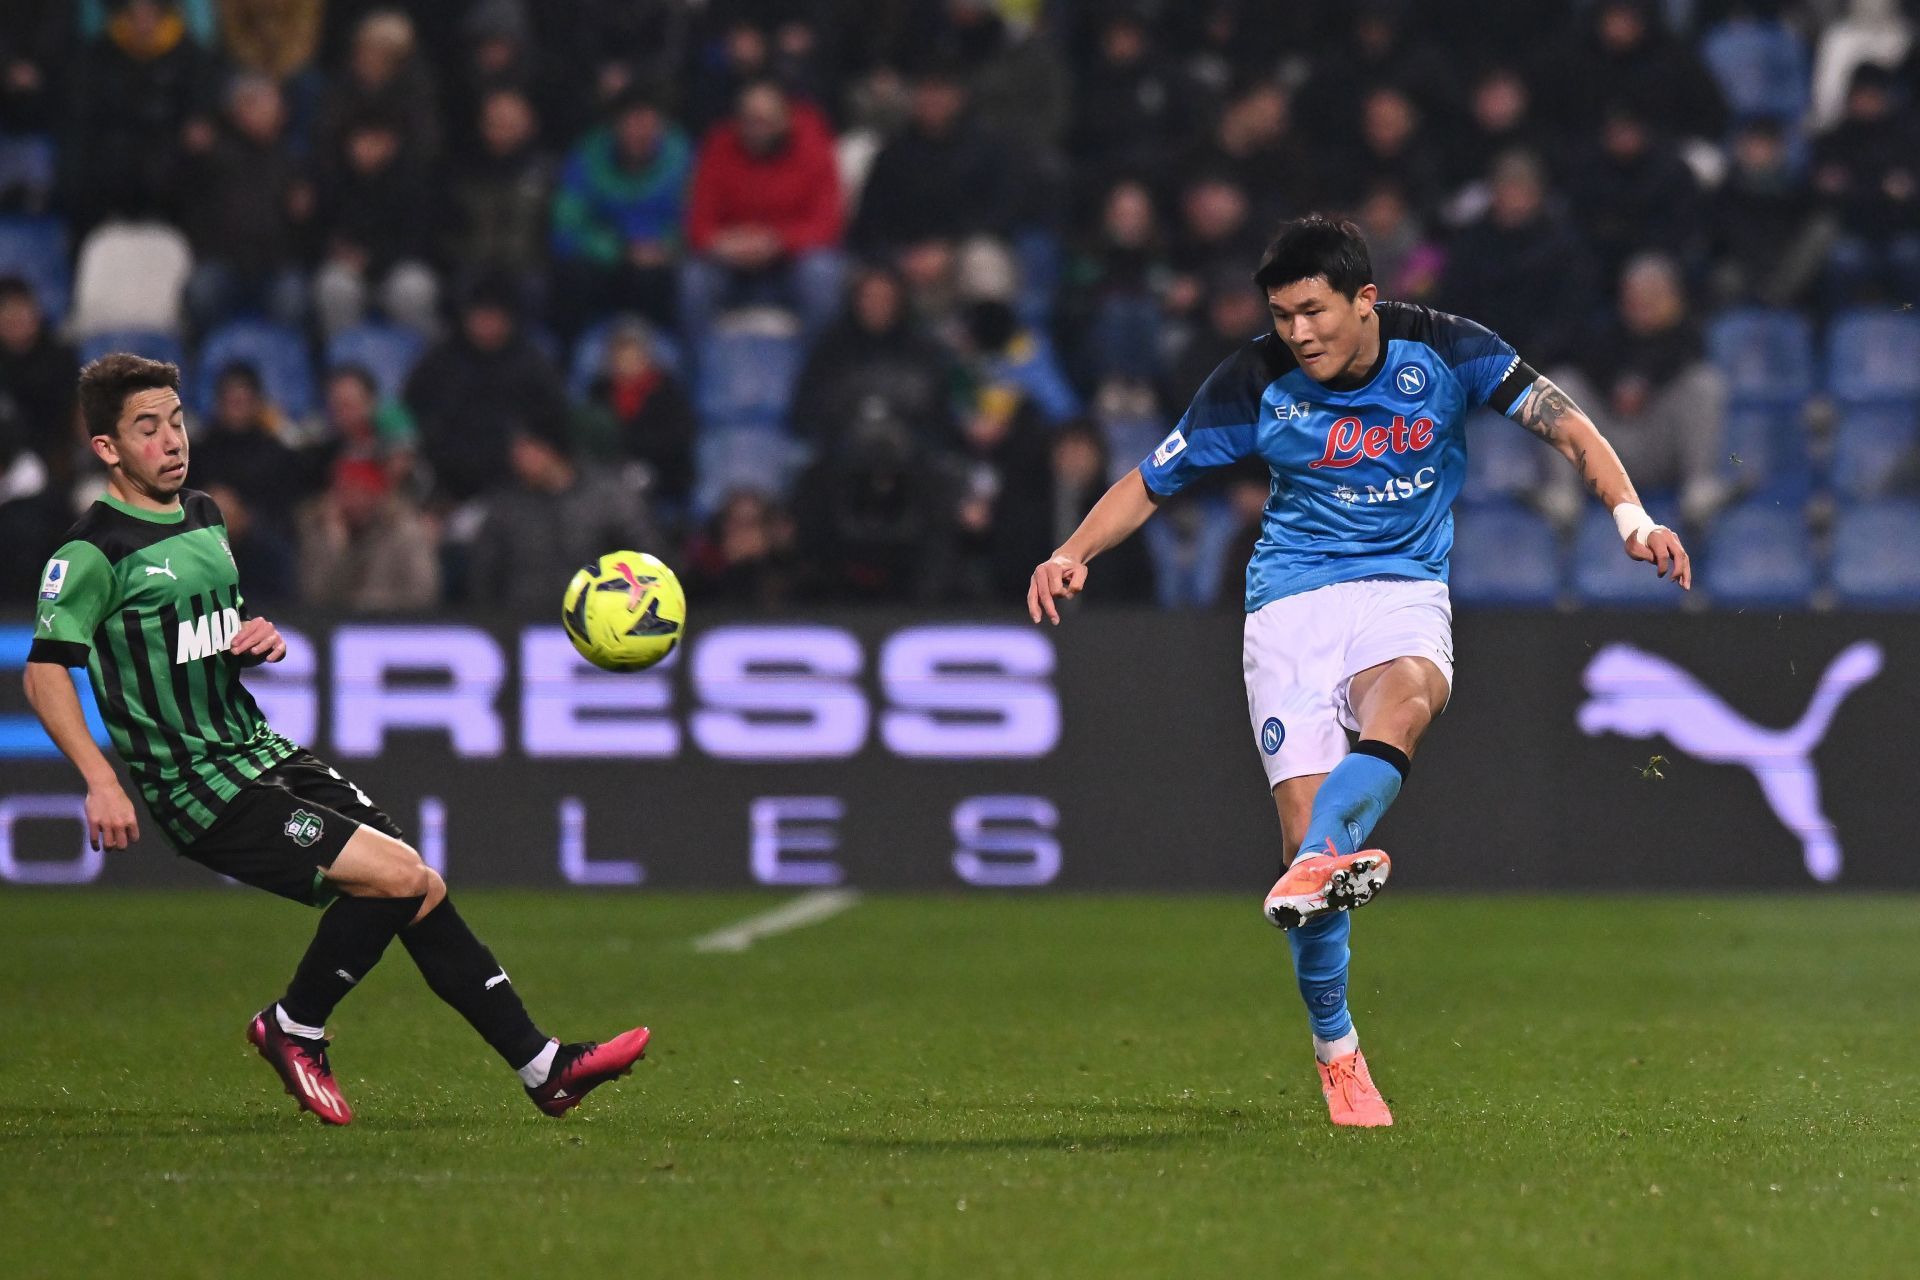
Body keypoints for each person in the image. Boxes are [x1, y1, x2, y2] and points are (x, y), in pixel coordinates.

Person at [1027, 216, 1691, 1128]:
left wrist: (1633, 521)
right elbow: (1150, 480)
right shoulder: (1253, 380)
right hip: (1290, 608)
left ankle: (1319, 865)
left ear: (1364, 300)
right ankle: (1337, 1048)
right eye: (1282, 315)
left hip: (1400, 588)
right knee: (1311, 860)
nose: (1297, 333)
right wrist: (1072, 552)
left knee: (1407, 695)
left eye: (1313, 312)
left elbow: (1569, 429)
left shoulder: (1448, 349)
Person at [21, 354, 648, 1125]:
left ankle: (544, 1067)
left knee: (420, 884)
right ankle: (294, 1025)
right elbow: (46, 673)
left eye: (177, 421)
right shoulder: (91, 553)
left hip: (259, 751)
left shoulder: (206, 518)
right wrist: (100, 777)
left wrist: (244, 639)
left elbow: (187, 638)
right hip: (198, 786)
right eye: (146, 429)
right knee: (391, 877)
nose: (172, 441)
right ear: (108, 449)